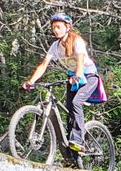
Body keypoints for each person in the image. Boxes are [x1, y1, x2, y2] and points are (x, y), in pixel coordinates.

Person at [21, 12, 104, 152]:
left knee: (76, 103)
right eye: (53, 28)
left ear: (67, 27)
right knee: (69, 109)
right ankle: (72, 152)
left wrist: (77, 75)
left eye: (58, 27)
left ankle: (78, 140)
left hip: (89, 77)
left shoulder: (77, 41)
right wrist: (30, 81)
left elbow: (80, 61)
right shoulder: (55, 46)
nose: (55, 30)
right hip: (73, 78)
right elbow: (43, 65)